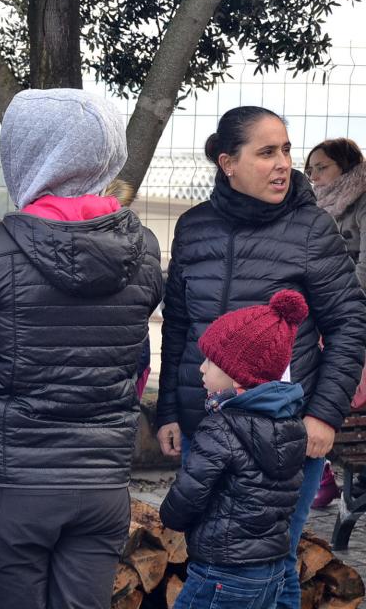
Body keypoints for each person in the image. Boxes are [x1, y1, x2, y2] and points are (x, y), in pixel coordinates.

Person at [0, 89, 164, 609]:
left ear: (27, 153)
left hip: (11, 481)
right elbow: (134, 357)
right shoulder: (144, 249)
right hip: (103, 481)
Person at [156, 106, 366, 609]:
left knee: (271, 557)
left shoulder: (313, 228)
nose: (283, 163)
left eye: (287, 150)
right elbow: (180, 326)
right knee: (227, 561)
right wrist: (168, 409)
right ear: (228, 162)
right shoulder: (193, 228)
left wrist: (324, 414)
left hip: (286, 434)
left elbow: (349, 325)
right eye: (267, 151)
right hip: (205, 424)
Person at [160, 290, 309, 609]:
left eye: (211, 361)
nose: (201, 368)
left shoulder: (221, 427)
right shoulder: (291, 425)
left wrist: (170, 516)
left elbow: (190, 491)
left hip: (221, 570)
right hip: (270, 571)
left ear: (239, 375)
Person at [305, 138, 366, 507]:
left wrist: (339, 309)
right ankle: (324, 472)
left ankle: (327, 470)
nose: (313, 176)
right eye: (309, 169)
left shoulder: (362, 202)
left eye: (322, 167)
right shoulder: (318, 208)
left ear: (348, 167)